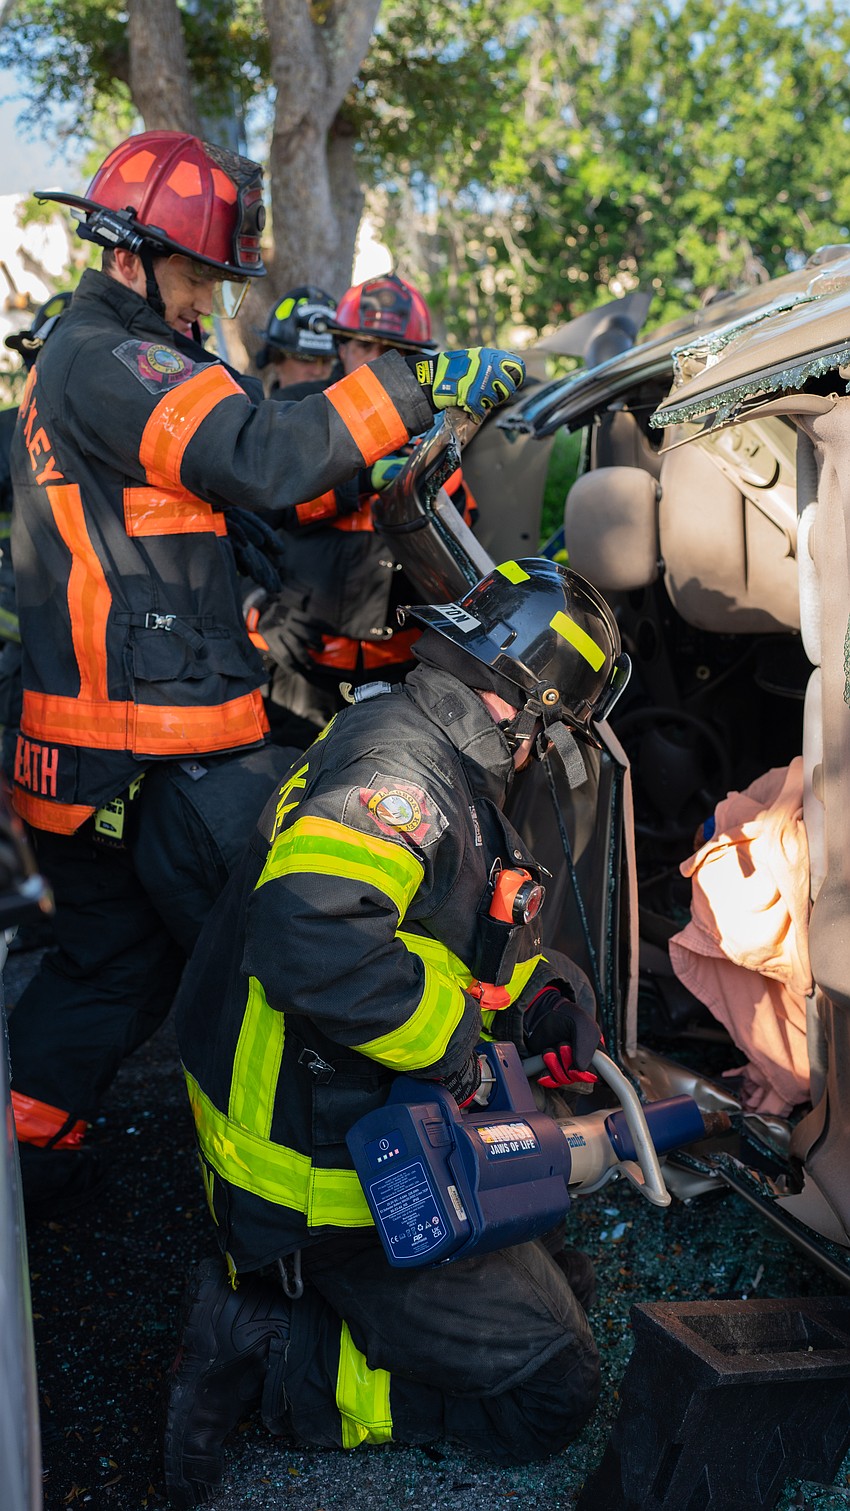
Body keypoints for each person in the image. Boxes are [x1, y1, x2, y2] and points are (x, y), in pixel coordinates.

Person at [6, 128, 526, 1213]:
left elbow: (252, 456)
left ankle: (31, 1146)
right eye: (197, 275)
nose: (205, 300)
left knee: (112, 965)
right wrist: (415, 383)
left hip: (87, 754)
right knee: (275, 954)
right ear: (131, 252)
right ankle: (293, 1200)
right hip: (158, 749)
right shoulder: (113, 357)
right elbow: (256, 454)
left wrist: (360, 458)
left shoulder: (100, 358)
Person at [165, 557, 631, 1507]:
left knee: (567, 1274)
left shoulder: (426, 745)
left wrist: (538, 997)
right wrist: (460, 1050)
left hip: (328, 1129)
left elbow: (436, 941)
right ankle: (269, 1348)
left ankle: (297, 1312)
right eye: (560, 733)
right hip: (311, 1184)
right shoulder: (405, 776)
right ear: (529, 710)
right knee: (555, 1387)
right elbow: (313, 937)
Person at [256, 272, 475, 746]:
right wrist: (257, 608)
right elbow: (247, 513)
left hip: (401, 672)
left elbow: (461, 531)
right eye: (364, 346)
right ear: (340, 347)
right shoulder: (299, 410)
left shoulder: (443, 433)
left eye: (395, 350)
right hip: (299, 662)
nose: (378, 362)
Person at [254, 285, 339, 391]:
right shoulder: (251, 406)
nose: (317, 372)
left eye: (327, 361)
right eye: (306, 359)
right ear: (276, 360)